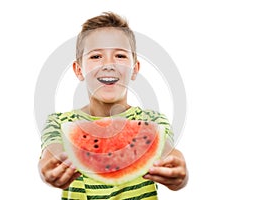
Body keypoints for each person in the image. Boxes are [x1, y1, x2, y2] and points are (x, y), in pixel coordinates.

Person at [38, 12, 188, 199]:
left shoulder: (153, 121)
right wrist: (48, 168)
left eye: (119, 55)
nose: (108, 64)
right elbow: (51, 152)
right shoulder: (59, 123)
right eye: (96, 56)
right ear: (79, 69)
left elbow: (167, 153)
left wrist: (180, 173)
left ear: (135, 69)